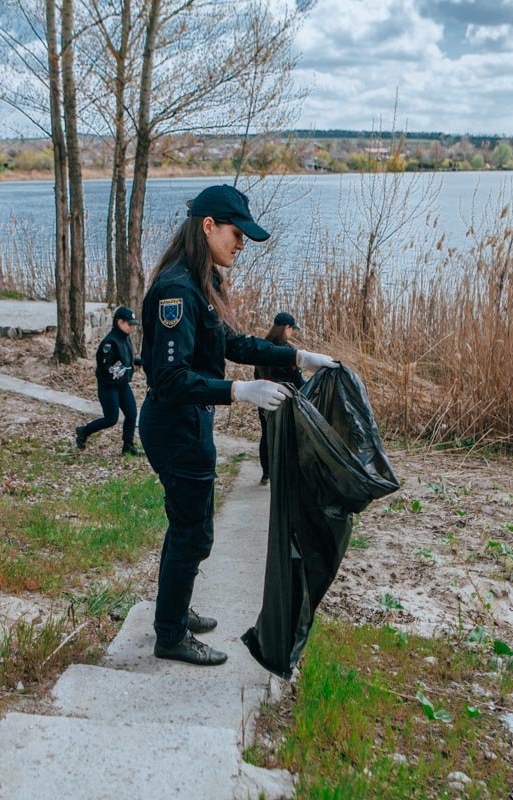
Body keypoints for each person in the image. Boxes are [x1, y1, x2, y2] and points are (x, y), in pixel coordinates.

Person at [138, 184, 338, 667]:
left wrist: (297, 356)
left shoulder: (202, 281)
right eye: (235, 233)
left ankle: (174, 612)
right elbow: (169, 378)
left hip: (192, 424)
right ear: (208, 226)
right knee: (193, 532)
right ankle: (170, 634)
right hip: (175, 428)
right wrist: (236, 391)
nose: (241, 243)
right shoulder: (176, 291)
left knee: (187, 527)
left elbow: (235, 344)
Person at [76, 306, 143, 456]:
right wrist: (122, 370)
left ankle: (128, 446)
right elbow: (106, 368)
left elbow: (127, 360)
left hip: (122, 385)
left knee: (132, 414)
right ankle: (83, 431)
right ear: (120, 322)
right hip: (108, 387)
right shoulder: (109, 343)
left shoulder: (125, 339)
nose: (132, 327)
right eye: (129, 324)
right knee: (111, 419)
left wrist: (142, 362)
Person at [254, 312, 304, 485]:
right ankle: (284, 474)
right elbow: (297, 381)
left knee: (266, 435)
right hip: (284, 400)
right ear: (287, 328)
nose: (293, 333)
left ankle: (266, 473)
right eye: (292, 329)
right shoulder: (288, 352)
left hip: (263, 398)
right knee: (286, 436)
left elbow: (256, 376)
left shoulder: (261, 347)